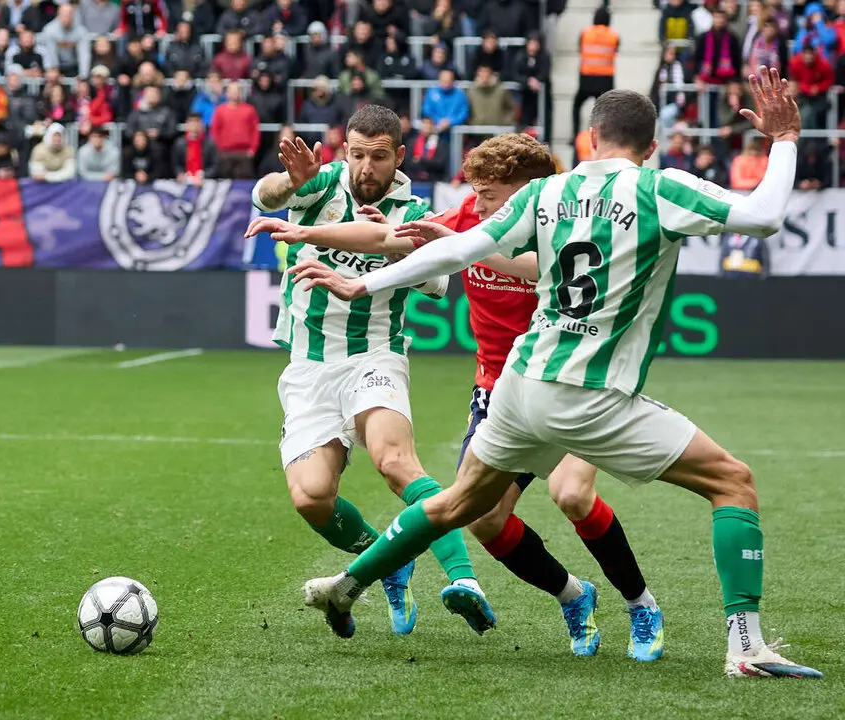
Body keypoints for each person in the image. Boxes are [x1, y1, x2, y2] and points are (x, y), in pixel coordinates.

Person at [291, 71, 824, 680]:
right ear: (651, 146)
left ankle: (346, 585)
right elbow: (763, 216)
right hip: (589, 394)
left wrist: (361, 283)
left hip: (518, 386)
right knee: (732, 482)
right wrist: (785, 139)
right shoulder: (661, 187)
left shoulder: (546, 193)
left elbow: (456, 249)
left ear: (589, 138)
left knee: (460, 503)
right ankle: (746, 646)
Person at [247, 133, 666, 661]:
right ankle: (573, 596)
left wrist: (471, 244)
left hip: (574, 376)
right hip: (500, 389)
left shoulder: (562, 218)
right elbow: (388, 238)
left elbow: (543, 267)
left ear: (528, 191)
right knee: (483, 516)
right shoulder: (467, 215)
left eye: (490, 195)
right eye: (477, 192)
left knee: (572, 494)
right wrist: (305, 231)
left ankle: (640, 605)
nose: (479, 204)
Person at [248, 104, 497, 639]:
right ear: (345, 151)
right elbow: (265, 196)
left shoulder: (413, 210)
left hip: (375, 357)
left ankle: (465, 579)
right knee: (311, 497)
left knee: (395, 462)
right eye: (357, 155)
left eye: (378, 157)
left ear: (399, 156)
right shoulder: (321, 185)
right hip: (310, 366)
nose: (366, 167)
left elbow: (437, 284)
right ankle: (384, 563)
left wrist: (395, 249)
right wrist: (290, 182)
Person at [573, 6, 617, 142]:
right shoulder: (613, 36)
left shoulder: (585, 33)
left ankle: (575, 135)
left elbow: (580, 49)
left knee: (577, 105)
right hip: (605, 80)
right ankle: (606, 136)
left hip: (587, 78)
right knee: (607, 111)